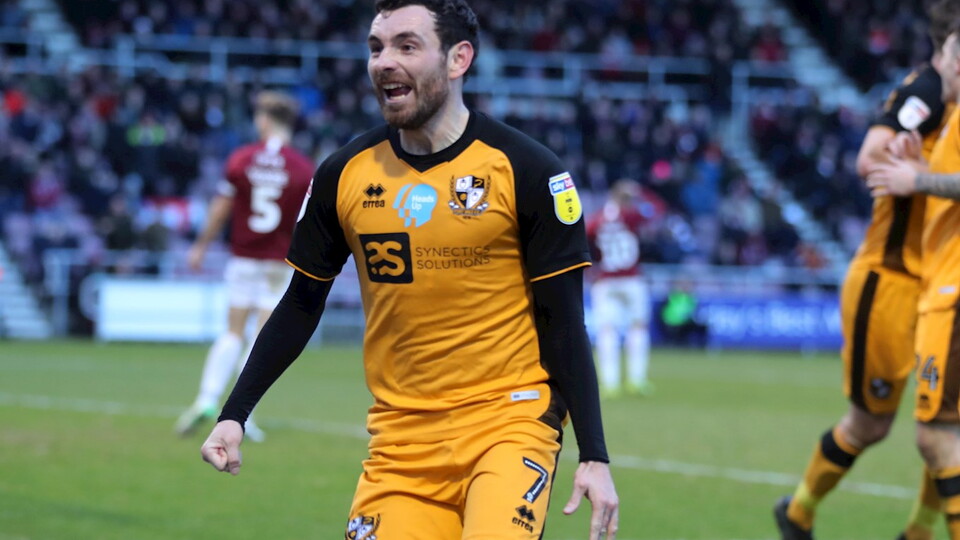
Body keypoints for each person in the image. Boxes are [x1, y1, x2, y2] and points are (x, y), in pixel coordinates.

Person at [199, 1, 619, 539]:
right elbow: (302, 303)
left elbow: (564, 323)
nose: (384, 62)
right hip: (400, 442)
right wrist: (235, 413)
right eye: (376, 48)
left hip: (509, 424)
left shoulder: (527, 170)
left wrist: (594, 454)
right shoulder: (343, 175)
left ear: (458, 59)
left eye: (407, 45)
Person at [774, 2, 960, 538]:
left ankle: (918, 531)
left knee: (944, 422)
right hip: (893, 277)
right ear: (946, 45)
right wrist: (914, 175)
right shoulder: (929, 90)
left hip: (936, 281)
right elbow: (869, 159)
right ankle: (799, 512)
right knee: (876, 422)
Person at [174, 91, 314, 443]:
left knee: (232, 332)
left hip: (243, 259)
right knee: (261, 339)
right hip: (280, 264)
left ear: (264, 120)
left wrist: (201, 245)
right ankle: (242, 414)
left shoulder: (242, 159)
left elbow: (221, 207)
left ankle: (206, 398)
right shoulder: (302, 168)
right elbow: (308, 221)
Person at [867, 23, 960, 539]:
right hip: (943, 284)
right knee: (946, 433)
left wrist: (916, 179)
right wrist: (920, 166)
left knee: (935, 436)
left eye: (943, 56)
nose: (935, 68)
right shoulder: (950, 122)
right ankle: (919, 532)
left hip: (952, 292)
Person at [586, 178, 652, 397]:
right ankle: (636, 380)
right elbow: (655, 212)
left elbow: (585, 243)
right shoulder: (633, 216)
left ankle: (610, 383)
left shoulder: (596, 220)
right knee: (637, 328)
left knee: (607, 331)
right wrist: (641, 194)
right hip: (631, 278)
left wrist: (593, 268)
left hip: (605, 279)